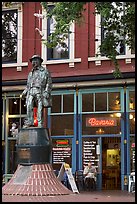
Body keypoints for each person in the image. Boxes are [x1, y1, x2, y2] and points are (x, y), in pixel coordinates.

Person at [20, 55, 52, 128]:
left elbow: (49, 83)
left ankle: (40, 123)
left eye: (35, 60)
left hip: (39, 90)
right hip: (31, 91)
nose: (34, 62)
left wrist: (47, 91)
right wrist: (24, 93)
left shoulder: (45, 71)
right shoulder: (30, 73)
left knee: (40, 107)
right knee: (29, 106)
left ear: (39, 61)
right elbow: (28, 85)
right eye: (32, 61)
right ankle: (30, 121)